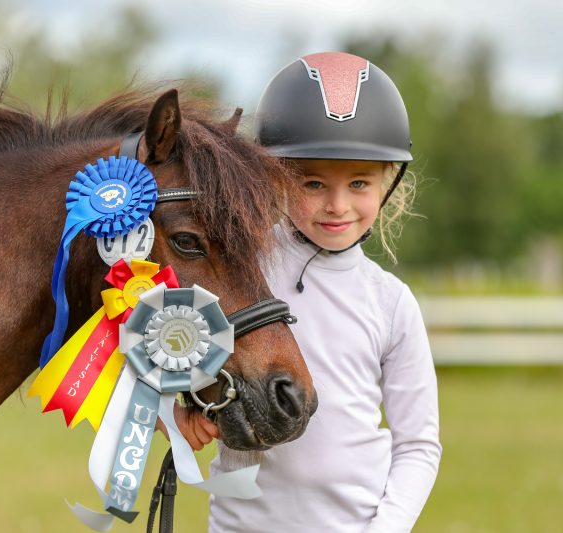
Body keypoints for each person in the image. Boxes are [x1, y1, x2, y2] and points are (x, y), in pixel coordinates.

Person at [172, 52, 442, 532]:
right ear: (274, 179)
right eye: (312, 182)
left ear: (387, 185)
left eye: (358, 183)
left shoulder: (391, 302)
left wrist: (387, 527)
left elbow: (418, 444)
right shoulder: (242, 270)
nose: (337, 205)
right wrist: (180, 412)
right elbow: (170, 369)